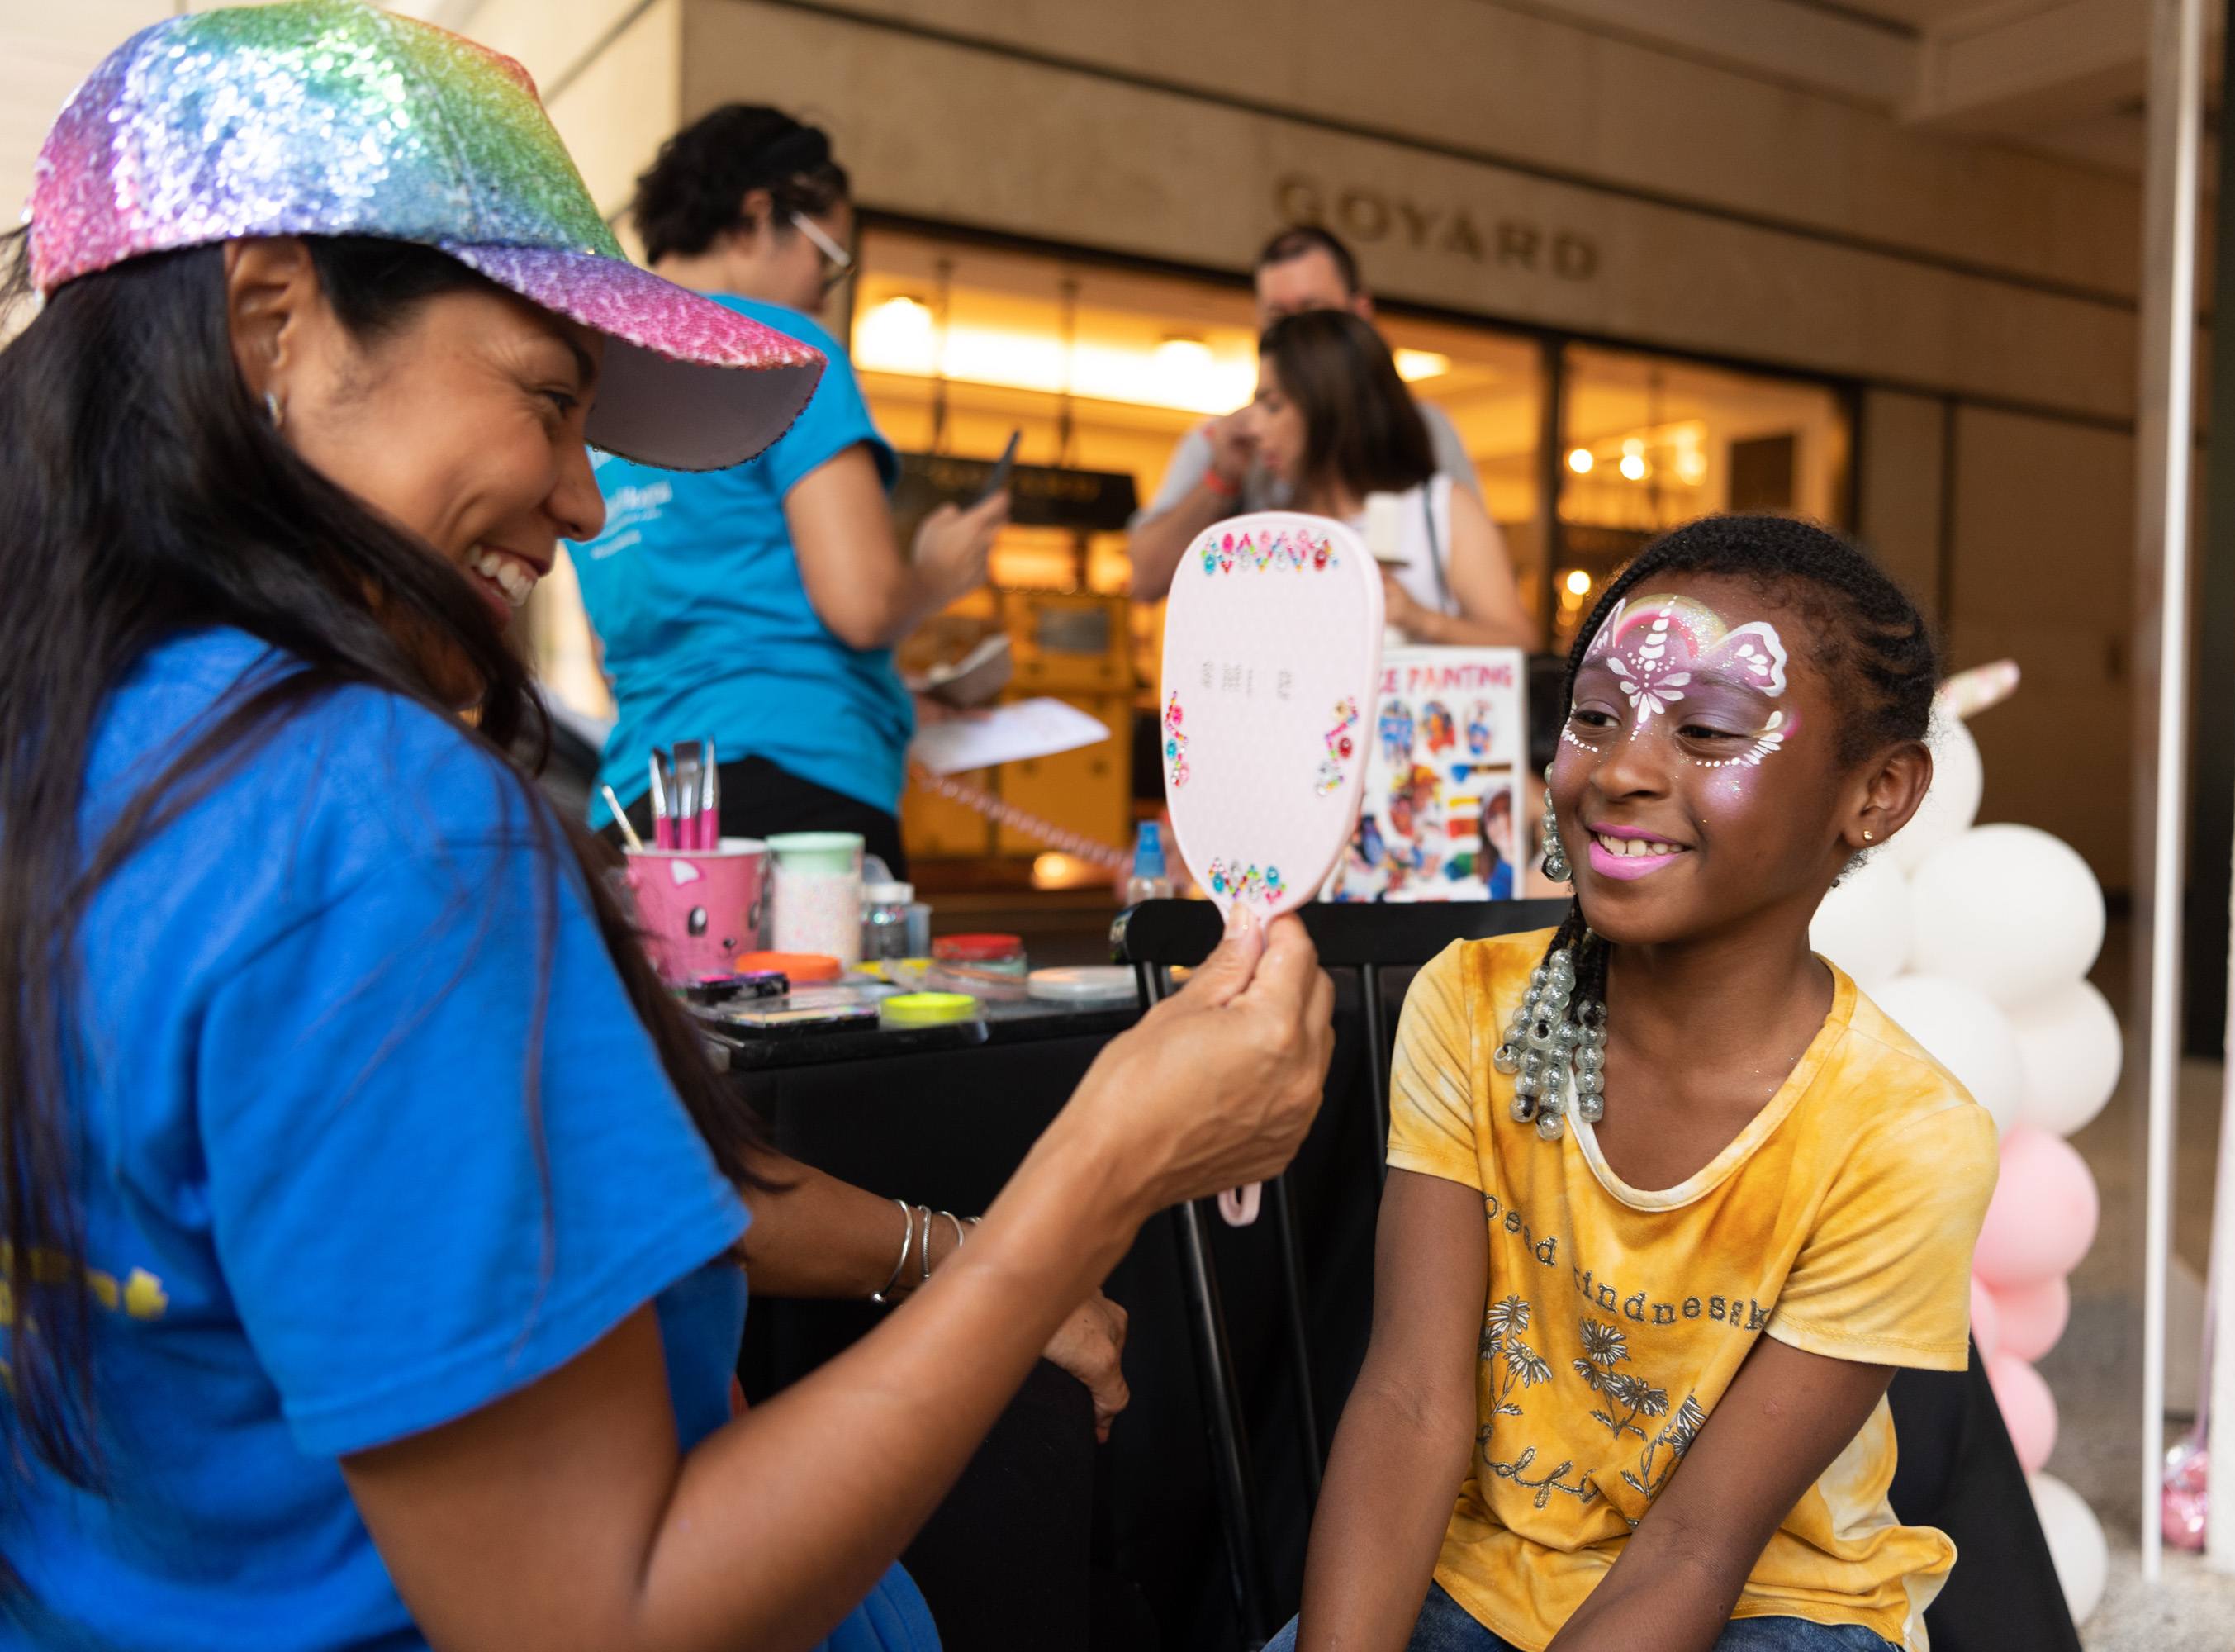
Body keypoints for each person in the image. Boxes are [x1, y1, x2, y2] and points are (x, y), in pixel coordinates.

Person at [0, 9, 1331, 1650]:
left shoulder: (89, 750)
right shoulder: (374, 819)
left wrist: (954, 1247)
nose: (581, 501)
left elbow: (505, 1187)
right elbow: (600, 1615)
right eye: (551, 400)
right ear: (272, 319)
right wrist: (1102, 1173)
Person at [1276, 516, 2000, 1652]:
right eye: (1595, 716)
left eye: (1708, 730)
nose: (1619, 769)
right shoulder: (1472, 1006)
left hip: (1775, 1605)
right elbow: (1410, 1404)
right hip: (1485, 1575)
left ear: (1879, 792)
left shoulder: (1903, 1134)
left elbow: (1698, 1548)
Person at [568, 104, 1006, 871]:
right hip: (802, 793)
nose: (825, 291)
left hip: (641, 798)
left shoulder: (598, 379)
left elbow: (620, 645)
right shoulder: (786, 352)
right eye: (827, 256)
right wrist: (937, 573)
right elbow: (863, 606)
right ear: (757, 217)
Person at [1127, 225, 1481, 601]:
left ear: (1361, 313)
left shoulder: (1423, 428)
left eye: (1314, 312)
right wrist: (1222, 478)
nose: (1296, 335)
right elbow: (1146, 582)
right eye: (1279, 316)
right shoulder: (1226, 440)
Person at [1243, 309, 1535, 650]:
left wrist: (1420, 619)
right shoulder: (1276, 527)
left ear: (1331, 406)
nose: (1255, 428)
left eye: (1273, 406)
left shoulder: (1441, 509)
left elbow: (1520, 644)